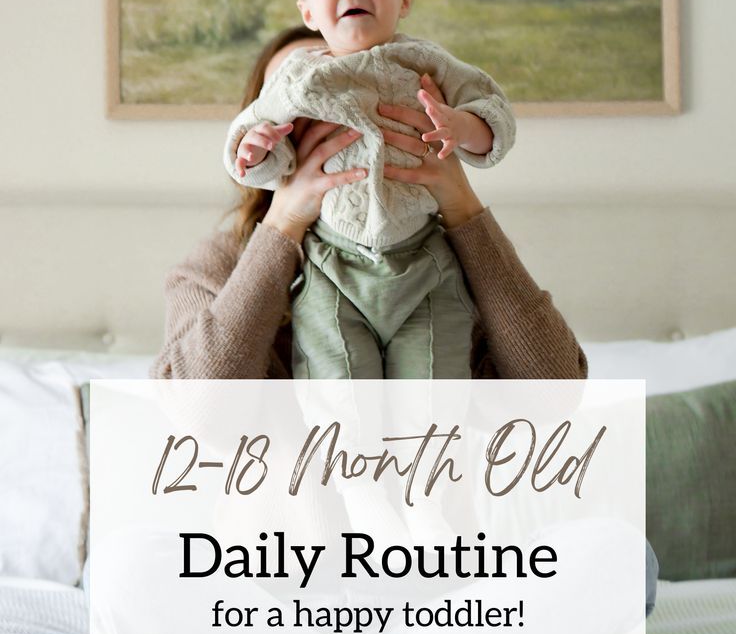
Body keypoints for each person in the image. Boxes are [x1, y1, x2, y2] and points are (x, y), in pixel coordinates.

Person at [151, 24, 586, 385]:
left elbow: (554, 393)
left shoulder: (440, 260)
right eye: (304, 98)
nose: (333, 115)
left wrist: (462, 206)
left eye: (351, 93)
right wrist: (284, 222)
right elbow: (200, 413)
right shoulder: (218, 264)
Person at [222, 0, 518, 379]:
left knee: (432, 386)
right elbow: (253, 131)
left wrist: (461, 125)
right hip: (330, 262)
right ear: (309, 14)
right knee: (340, 386)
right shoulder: (299, 76)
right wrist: (256, 149)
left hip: (424, 255)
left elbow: (494, 114)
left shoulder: (428, 62)